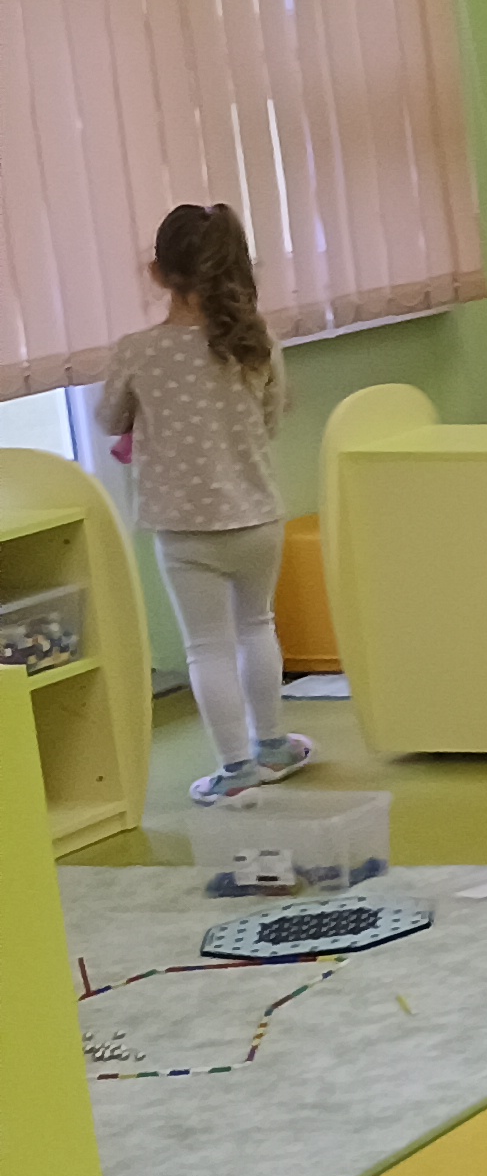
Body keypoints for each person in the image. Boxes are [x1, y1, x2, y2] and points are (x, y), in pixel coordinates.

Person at [98, 203, 309, 802]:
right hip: (258, 515)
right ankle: (274, 745)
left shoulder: (138, 351)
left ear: (157, 272)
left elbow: (109, 417)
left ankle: (236, 769)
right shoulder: (257, 343)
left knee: (207, 646)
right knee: (257, 626)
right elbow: (271, 421)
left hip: (184, 526)